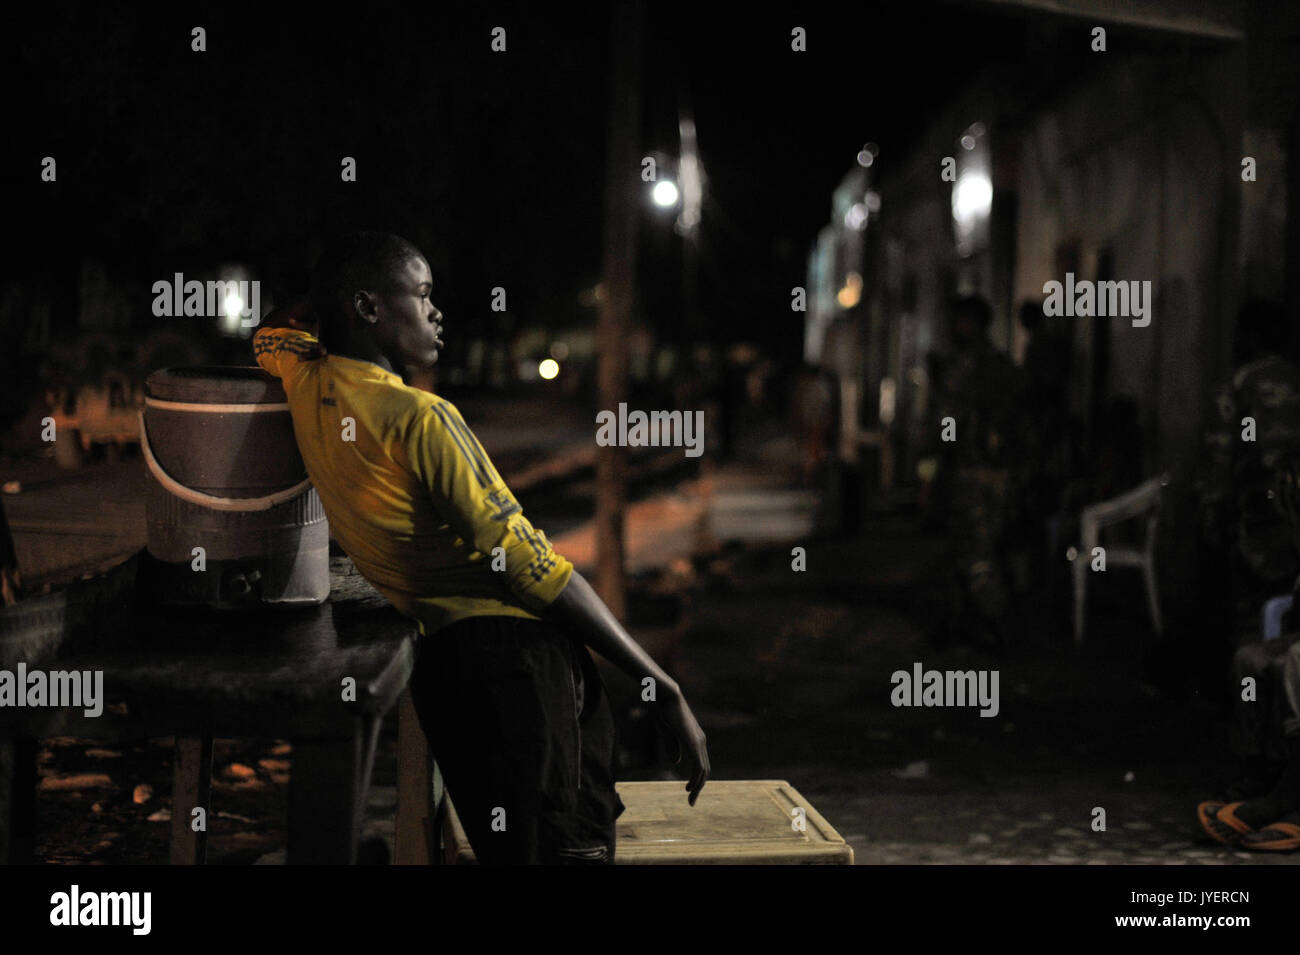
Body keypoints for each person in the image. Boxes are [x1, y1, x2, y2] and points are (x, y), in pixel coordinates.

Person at [254, 232, 709, 864]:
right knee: (565, 851)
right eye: (421, 294)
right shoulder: (422, 419)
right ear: (368, 309)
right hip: (522, 670)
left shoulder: (306, 380)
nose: (437, 312)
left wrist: (332, 299)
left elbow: (271, 331)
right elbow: (538, 574)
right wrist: (661, 685)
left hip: (450, 672)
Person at [930, 295, 1024, 649]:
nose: (954, 328)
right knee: (982, 549)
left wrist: (943, 453)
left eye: (960, 321)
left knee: (975, 552)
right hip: (1000, 475)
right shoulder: (1003, 366)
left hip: (971, 472)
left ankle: (995, 624)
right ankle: (967, 622)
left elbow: (946, 425)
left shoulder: (964, 368)